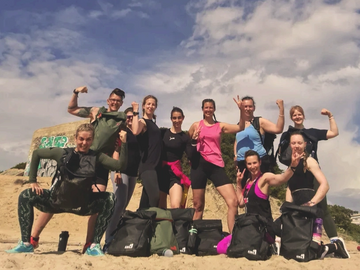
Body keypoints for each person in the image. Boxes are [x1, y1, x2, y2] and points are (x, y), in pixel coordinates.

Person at [6, 124, 128, 256]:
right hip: (55, 201)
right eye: (81, 139)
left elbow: (120, 165)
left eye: (88, 140)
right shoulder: (62, 153)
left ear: (92, 140)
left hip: (83, 204)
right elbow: (37, 154)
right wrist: (32, 181)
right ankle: (25, 243)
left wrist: (124, 144)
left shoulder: (97, 157)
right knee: (25, 196)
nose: (84, 143)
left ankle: (94, 245)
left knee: (109, 198)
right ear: (75, 138)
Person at [32, 86, 126, 252]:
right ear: (108, 100)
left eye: (118, 101)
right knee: (57, 198)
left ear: (121, 103)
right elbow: (72, 109)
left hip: (100, 164)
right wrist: (75, 92)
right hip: (81, 160)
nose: (115, 103)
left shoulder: (121, 121)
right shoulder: (96, 112)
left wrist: (116, 170)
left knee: (98, 202)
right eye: (112, 100)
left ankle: (90, 243)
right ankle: (34, 237)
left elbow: (116, 148)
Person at [283, 131, 349, 258]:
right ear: (289, 145)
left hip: (310, 210)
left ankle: (336, 246)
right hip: (298, 210)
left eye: (299, 143)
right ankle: (328, 248)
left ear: (305, 144)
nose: (296, 145)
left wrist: (312, 203)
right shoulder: (289, 167)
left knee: (309, 250)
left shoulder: (310, 161)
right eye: (293, 143)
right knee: (294, 248)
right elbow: (290, 188)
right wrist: (288, 207)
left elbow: (325, 185)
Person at [280, 105, 340, 244]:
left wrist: (330, 116)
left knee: (322, 208)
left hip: (312, 174)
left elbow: (334, 132)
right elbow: (282, 156)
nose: (297, 117)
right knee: (293, 208)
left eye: (299, 114)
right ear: (291, 117)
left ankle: (334, 240)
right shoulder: (287, 135)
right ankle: (295, 238)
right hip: (295, 173)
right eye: (294, 115)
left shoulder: (312, 133)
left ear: (303, 115)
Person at [188, 98, 244, 233]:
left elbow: (240, 127)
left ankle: (233, 235)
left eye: (211, 107)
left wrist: (241, 110)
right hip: (199, 165)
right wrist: (193, 138)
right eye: (206, 107)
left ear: (214, 109)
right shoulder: (196, 125)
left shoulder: (220, 126)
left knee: (233, 202)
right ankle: (193, 238)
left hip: (216, 165)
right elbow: (189, 143)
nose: (208, 110)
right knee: (198, 205)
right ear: (202, 109)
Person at [236, 149, 302, 243]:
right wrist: (238, 183)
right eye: (249, 164)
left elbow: (282, 178)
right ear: (246, 165)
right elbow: (241, 203)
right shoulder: (247, 182)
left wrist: (293, 166)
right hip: (250, 226)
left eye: (255, 163)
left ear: (260, 162)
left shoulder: (264, 178)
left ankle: (276, 240)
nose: (252, 166)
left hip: (264, 228)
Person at [105, 107, 141, 245]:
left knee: (123, 205)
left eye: (132, 117)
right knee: (119, 204)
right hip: (121, 170)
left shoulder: (137, 134)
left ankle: (116, 236)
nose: (130, 119)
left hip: (133, 173)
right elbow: (116, 150)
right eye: (128, 117)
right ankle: (108, 239)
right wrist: (117, 170)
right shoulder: (122, 131)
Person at [234, 96, 284, 187]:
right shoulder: (239, 124)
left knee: (258, 189)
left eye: (250, 106)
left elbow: (278, 129)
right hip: (242, 162)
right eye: (245, 106)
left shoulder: (259, 122)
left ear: (254, 108)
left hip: (258, 161)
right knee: (243, 190)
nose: (247, 109)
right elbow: (237, 141)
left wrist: (281, 109)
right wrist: (236, 156)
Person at [158, 107, 193, 209]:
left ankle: (176, 225)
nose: (177, 120)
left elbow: (191, 155)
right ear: (171, 119)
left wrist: (194, 140)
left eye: (179, 118)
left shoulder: (184, 137)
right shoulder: (163, 133)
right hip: (161, 171)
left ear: (183, 118)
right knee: (160, 208)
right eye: (174, 118)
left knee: (175, 206)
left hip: (175, 173)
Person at [131, 95, 162, 209]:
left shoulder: (153, 123)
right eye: (148, 104)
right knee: (154, 198)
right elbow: (135, 131)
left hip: (156, 167)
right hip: (147, 166)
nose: (151, 106)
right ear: (144, 106)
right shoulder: (142, 121)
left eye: (153, 104)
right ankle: (149, 224)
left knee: (146, 202)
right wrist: (135, 112)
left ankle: (139, 223)